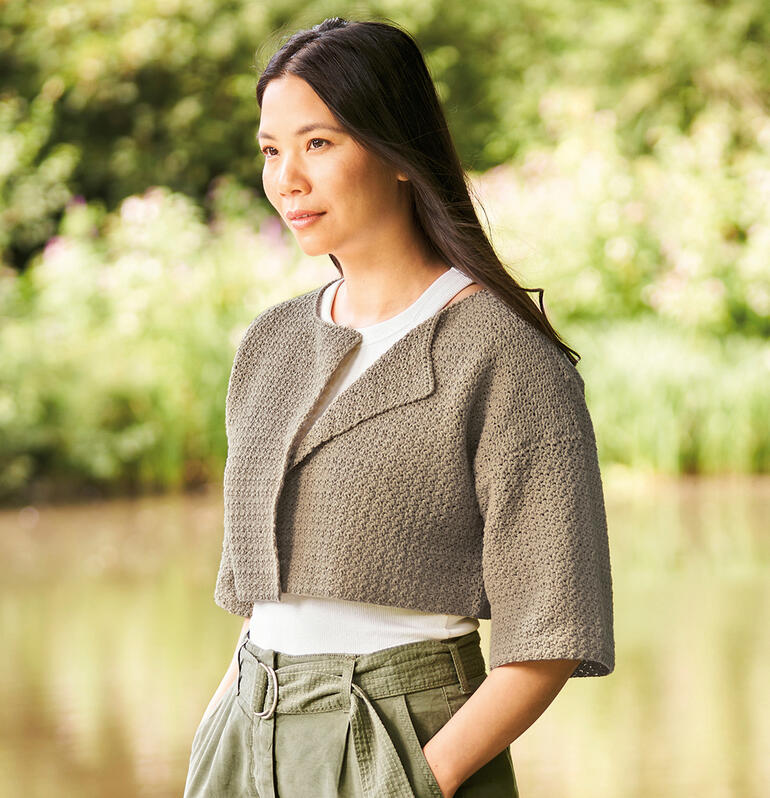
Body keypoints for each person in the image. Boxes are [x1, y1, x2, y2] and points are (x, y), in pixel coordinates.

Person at [183, 16, 614, 798]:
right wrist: (215, 746)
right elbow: (266, 608)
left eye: (318, 144)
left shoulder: (503, 353)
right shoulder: (272, 344)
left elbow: (550, 635)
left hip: (400, 737)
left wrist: (413, 782)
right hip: (244, 727)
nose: (287, 180)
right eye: (271, 150)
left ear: (398, 152)